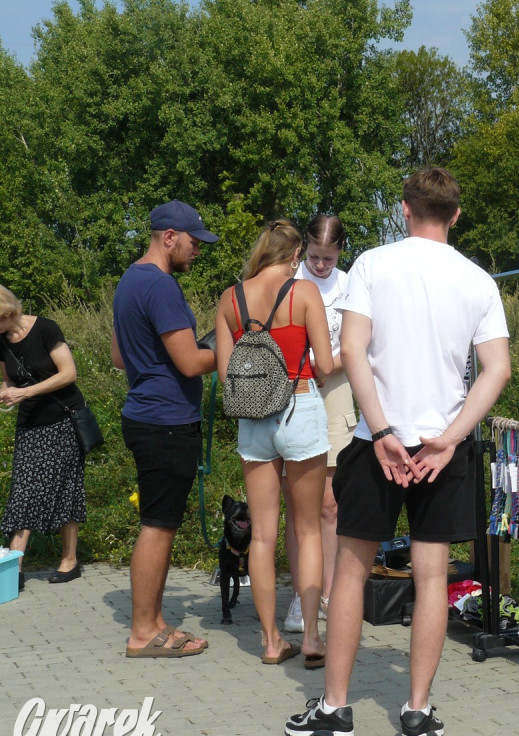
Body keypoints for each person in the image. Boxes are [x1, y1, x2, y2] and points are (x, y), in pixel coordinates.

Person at [285, 167, 511, 736]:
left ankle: (336, 712)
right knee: (432, 578)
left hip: (373, 440)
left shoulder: (373, 265)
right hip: (442, 448)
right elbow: (497, 370)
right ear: (456, 215)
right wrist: (453, 436)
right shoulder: (478, 280)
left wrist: (382, 428)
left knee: (353, 572)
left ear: (405, 209)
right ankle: (416, 714)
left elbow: (351, 350)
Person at [215, 220, 333, 667]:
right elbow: (323, 364)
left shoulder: (230, 299)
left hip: (253, 420)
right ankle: (313, 639)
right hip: (299, 406)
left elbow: (226, 375)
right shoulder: (304, 294)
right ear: (294, 255)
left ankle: (269, 642)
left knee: (262, 534)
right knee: (307, 530)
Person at [112, 200, 218, 659]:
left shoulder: (129, 281)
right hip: (166, 421)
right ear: (169, 237)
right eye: (194, 242)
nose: (198, 251)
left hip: (144, 414)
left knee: (159, 524)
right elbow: (191, 362)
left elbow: (120, 358)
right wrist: (230, 348)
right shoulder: (161, 286)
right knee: (158, 527)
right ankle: (142, 632)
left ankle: (154, 622)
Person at [282, 215, 357, 634]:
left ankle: (327, 594)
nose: (321, 266)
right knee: (298, 504)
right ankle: (301, 595)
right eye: (314, 257)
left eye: (328, 259)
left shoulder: (349, 285)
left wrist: (326, 366)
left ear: (340, 253)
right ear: (303, 250)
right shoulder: (288, 279)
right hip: (292, 390)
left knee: (329, 504)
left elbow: (357, 345)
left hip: (334, 388)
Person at [0, 284, 88, 590]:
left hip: (63, 420)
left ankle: (70, 560)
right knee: (23, 490)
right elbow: (7, 377)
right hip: (30, 425)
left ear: (6, 312)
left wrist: (26, 392)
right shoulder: (1, 341)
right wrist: (6, 392)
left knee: (66, 487)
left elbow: (68, 373)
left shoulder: (46, 328)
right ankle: (15, 567)